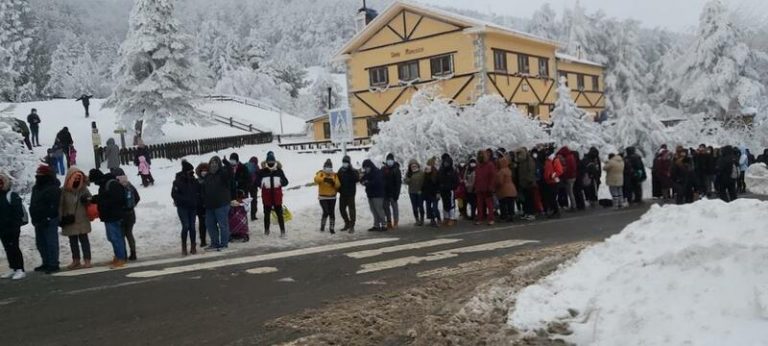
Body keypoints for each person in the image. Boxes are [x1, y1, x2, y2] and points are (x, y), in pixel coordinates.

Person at [89, 169, 128, 268]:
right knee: (112, 237)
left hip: (114, 215)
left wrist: (104, 203)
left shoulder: (111, 184)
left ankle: (121, 258)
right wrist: (94, 199)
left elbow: (117, 199)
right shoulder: (105, 184)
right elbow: (104, 197)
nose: (95, 184)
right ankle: (118, 256)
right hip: (109, 216)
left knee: (116, 237)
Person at [30, 165, 62, 274]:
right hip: (38, 219)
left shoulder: (53, 188)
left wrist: (48, 217)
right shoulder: (36, 188)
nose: (38, 176)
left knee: (51, 242)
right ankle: (46, 262)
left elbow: (54, 205)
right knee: (40, 243)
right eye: (37, 174)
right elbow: (33, 203)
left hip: (49, 219)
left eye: (40, 175)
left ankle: (53, 263)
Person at [59, 167, 93, 269]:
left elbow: (91, 201)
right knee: (73, 241)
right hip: (69, 219)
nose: (77, 180)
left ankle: (87, 260)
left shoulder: (83, 189)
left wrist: (87, 200)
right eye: (75, 178)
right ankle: (76, 260)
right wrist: (60, 218)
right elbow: (60, 205)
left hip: (82, 218)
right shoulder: (63, 191)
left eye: (79, 178)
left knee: (84, 240)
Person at [0, 172, 27, 280]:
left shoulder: (11, 195)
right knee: (8, 249)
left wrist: (15, 226)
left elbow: (18, 213)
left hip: (12, 228)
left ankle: (20, 269)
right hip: (2, 228)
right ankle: (13, 267)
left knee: (14, 248)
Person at [202, 156, 232, 248]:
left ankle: (224, 244)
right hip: (210, 206)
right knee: (210, 225)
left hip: (222, 204)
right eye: (212, 163)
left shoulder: (222, 174)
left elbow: (230, 174)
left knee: (223, 225)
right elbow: (204, 189)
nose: (213, 165)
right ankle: (214, 243)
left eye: (215, 163)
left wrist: (227, 164)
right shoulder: (208, 176)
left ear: (219, 164)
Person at [172, 161, 200, 256]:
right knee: (186, 226)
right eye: (190, 171)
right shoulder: (178, 181)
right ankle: (184, 246)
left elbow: (198, 192)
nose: (192, 173)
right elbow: (174, 194)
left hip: (192, 207)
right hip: (182, 207)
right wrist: (184, 200)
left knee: (192, 227)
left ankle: (193, 246)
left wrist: (196, 200)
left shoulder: (194, 181)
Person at [259, 151, 289, 237]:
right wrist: (261, 183)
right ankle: (266, 231)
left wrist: (280, 182)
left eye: (272, 161)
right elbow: (256, 182)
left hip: (277, 196)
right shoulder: (262, 171)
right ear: (266, 161)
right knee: (267, 215)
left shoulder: (279, 171)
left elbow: (286, 182)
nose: (271, 163)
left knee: (279, 214)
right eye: (269, 161)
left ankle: (282, 231)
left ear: (275, 161)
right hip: (267, 196)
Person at [113, 169, 140, 261]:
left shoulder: (116, 185)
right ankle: (133, 253)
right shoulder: (129, 185)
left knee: (121, 235)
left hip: (121, 214)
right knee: (129, 234)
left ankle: (123, 254)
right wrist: (132, 206)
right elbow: (137, 198)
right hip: (131, 213)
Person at [314, 159, 341, 234]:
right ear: (324, 167)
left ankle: (332, 228)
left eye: (330, 167)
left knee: (332, 212)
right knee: (326, 211)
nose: (328, 169)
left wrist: (333, 182)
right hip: (323, 197)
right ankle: (322, 225)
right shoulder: (321, 173)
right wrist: (324, 179)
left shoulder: (334, 175)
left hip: (332, 197)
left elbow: (338, 185)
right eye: (327, 167)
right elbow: (316, 180)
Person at [361, 159, 386, 231]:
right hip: (370, 195)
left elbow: (376, 182)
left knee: (379, 210)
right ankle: (376, 225)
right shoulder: (367, 173)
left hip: (378, 195)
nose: (365, 169)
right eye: (364, 168)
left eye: (366, 167)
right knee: (374, 211)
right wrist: (364, 181)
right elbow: (362, 179)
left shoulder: (377, 172)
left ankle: (384, 224)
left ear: (370, 166)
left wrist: (367, 183)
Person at [473, 151, 496, 225]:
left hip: (487, 188)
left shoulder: (490, 165)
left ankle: (491, 218)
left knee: (489, 204)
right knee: (479, 204)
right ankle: (480, 218)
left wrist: (491, 186)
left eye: (481, 155)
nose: (480, 157)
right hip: (479, 188)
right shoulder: (478, 166)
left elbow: (492, 176)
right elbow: (476, 177)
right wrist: (475, 186)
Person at [337, 155, 359, 233]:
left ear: (349, 163)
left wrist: (351, 170)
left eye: (346, 162)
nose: (345, 164)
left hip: (351, 194)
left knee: (351, 210)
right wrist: (338, 189)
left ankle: (352, 226)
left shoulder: (353, 171)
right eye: (343, 162)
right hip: (342, 194)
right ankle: (347, 223)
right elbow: (337, 180)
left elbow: (357, 179)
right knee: (341, 209)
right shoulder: (340, 170)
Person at [438, 153, 460, 226]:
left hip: (450, 190)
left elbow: (456, 181)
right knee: (445, 204)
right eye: (445, 163)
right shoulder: (441, 170)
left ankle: (452, 218)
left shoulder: (453, 171)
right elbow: (439, 180)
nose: (446, 164)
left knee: (451, 204)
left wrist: (452, 187)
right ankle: (446, 218)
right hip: (443, 190)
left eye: (447, 163)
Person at [515, 148, 537, 221]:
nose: (519, 156)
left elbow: (531, 171)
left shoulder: (529, 160)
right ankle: (526, 212)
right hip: (523, 183)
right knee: (524, 200)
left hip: (529, 183)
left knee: (529, 199)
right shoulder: (521, 162)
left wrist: (529, 180)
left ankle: (531, 213)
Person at [382, 153, 402, 229]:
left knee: (395, 208)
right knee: (386, 208)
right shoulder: (383, 169)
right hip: (385, 193)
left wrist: (397, 193)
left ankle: (396, 221)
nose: (389, 161)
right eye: (388, 160)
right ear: (386, 161)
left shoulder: (396, 170)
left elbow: (398, 183)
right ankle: (389, 222)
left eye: (391, 160)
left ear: (393, 161)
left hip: (393, 193)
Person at [496, 154, 517, 223]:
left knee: (503, 204)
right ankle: (511, 215)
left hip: (504, 190)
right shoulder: (509, 170)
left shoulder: (501, 171)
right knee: (511, 203)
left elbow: (500, 182)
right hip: (512, 189)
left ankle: (504, 216)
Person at [543, 149, 564, 218]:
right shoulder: (548, 161)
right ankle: (554, 211)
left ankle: (556, 211)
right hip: (548, 182)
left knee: (553, 198)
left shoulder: (555, 160)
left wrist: (551, 175)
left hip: (554, 181)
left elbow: (559, 171)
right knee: (550, 197)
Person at [404, 159, 425, 226]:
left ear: (417, 165)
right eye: (412, 166)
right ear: (410, 167)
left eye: (415, 166)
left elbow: (424, 182)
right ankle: (417, 219)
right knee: (414, 206)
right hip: (412, 192)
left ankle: (422, 219)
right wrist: (409, 178)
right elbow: (406, 181)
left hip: (420, 192)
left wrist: (421, 190)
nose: (414, 167)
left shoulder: (421, 172)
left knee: (421, 206)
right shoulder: (409, 173)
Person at [556, 146, 578, 211]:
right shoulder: (571, 156)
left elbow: (568, 169)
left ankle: (573, 206)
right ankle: (574, 205)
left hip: (569, 177)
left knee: (570, 192)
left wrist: (565, 176)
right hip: (573, 176)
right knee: (571, 192)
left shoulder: (568, 158)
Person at [422, 158, 441, 227]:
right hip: (427, 194)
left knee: (435, 208)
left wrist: (438, 192)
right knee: (429, 208)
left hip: (435, 193)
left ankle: (438, 218)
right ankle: (432, 220)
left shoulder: (436, 173)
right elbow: (423, 184)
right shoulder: (425, 174)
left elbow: (439, 183)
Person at [195, 163, 209, 247]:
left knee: (212, 223)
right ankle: (203, 240)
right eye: (202, 171)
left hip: (210, 204)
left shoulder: (211, 180)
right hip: (200, 206)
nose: (204, 172)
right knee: (202, 224)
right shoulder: (197, 182)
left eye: (205, 171)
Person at [246, 157, 260, 221]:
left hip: (246, 185)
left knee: (245, 201)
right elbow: (259, 176)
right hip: (254, 186)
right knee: (254, 201)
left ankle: (243, 214)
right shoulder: (256, 167)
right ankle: (253, 216)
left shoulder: (245, 165)